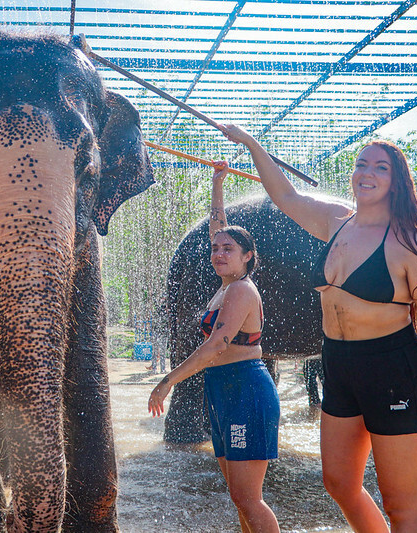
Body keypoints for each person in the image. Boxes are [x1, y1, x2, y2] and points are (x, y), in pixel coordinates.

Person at [221, 125, 417, 531]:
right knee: (339, 482)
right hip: (339, 364)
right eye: (361, 164)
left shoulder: (412, 245)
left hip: (392, 370)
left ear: (396, 181)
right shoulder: (336, 221)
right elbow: (287, 196)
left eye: (380, 168)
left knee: (402, 504)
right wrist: (251, 144)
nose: (367, 172)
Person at [149, 163, 281, 532]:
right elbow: (217, 228)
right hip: (222, 390)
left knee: (249, 498)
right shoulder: (224, 287)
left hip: (245, 390)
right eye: (216, 249)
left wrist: (168, 381)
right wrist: (217, 184)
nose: (219, 253)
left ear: (247, 257)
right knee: (238, 494)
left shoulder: (240, 290)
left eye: (229, 249)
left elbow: (215, 346)